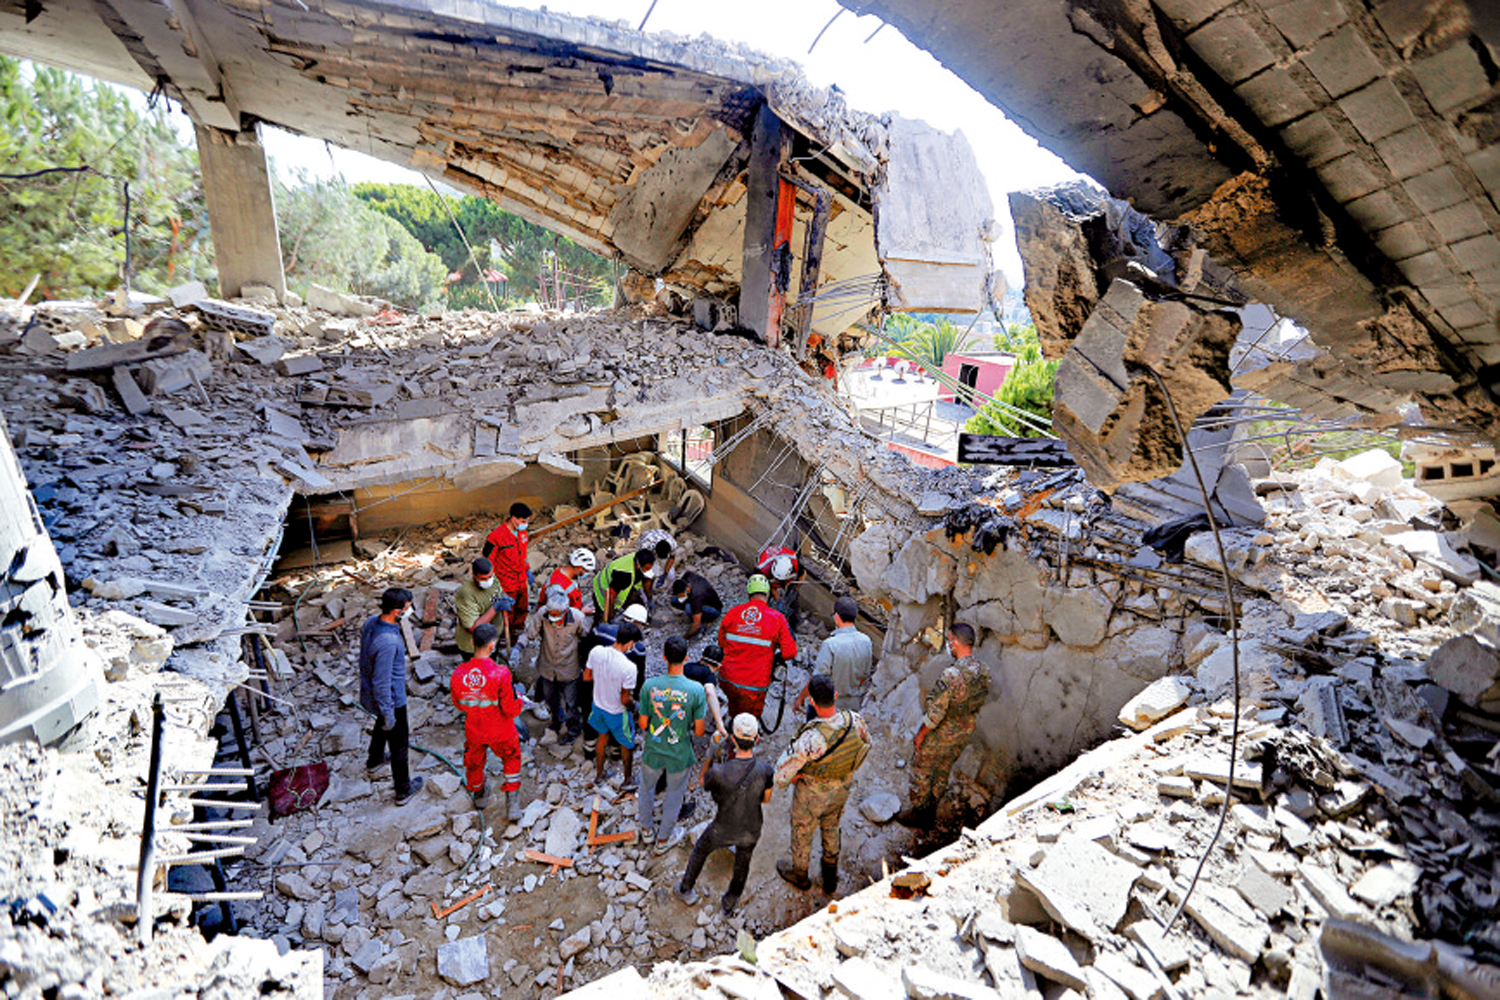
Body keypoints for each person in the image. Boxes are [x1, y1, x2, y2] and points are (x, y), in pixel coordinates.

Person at [773, 675, 871, 894]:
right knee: (832, 826)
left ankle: (801, 877)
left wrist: (796, 778)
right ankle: (830, 878)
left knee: (802, 833)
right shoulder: (855, 721)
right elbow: (867, 745)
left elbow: (780, 776)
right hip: (841, 789)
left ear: (812, 703)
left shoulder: (811, 739)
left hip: (811, 795)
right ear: (835, 696)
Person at [674, 713, 774, 916]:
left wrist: (712, 752)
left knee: (701, 849)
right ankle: (729, 904)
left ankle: (685, 889)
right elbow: (765, 799)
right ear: (757, 740)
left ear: (733, 739)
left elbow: (702, 780)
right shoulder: (766, 771)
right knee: (742, 864)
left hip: (722, 828)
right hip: (751, 829)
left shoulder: (718, 772)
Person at [895, 622, 989, 830]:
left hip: (942, 732)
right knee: (943, 769)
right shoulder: (983, 671)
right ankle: (933, 808)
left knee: (922, 768)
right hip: (964, 733)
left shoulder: (951, 675)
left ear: (956, 642)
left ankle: (920, 814)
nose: (948, 644)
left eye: (948, 640)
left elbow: (936, 713)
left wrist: (921, 733)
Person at [637, 636, 707, 854]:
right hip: (679, 754)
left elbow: (642, 724)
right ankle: (662, 840)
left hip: (653, 751)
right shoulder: (696, 690)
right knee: (675, 796)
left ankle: (647, 831)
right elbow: (699, 731)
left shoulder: (650, 686)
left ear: (664, 657)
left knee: (646, 789)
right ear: (687, 658)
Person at [450, 622, 524, 820]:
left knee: (474, 762)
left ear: (472, 642)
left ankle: (479, 794)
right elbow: (509, 709)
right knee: (511, 758)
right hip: (501, 729)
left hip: (474, 729)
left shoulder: (459, 673)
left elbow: (459, 704)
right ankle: (512, 803)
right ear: (493, 645)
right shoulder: (500, 673)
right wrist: (520, 702)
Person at [358, 587, 425, 805]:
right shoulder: (388, 641)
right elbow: (382, 681)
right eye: (407, 607)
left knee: (382, 723)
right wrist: (388, 711)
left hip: (374, 693)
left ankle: (375, 760)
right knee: (399, 744)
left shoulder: (371, 623)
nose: (410, 609)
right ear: (397, 611)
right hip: (392, 699)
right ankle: (403, 790)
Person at [717, 574, 796, 719]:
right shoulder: (777, 618)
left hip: (728, 678)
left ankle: (732, 725)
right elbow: (790, 652)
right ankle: (744, 737)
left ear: (748, 594)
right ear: (767, 594)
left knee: (734, 707)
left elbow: (721, 643)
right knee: (750, 719)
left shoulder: (732, 613)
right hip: (755, 683)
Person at [523, 586, 589, 743]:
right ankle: (556, 722)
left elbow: (586, 638)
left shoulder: (578, 618)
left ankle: (573, 730)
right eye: (550, 615)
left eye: (556, 616)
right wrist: (518, 647)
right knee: (551, 698)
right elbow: (529, 634)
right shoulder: (543, 614)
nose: (552, 618)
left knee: (571, 703)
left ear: (565, 611)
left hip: (569, 668)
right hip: (547, 667)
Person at [792, 597, 873, 718]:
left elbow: (817, 681)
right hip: (852, 708)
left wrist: (800, 698)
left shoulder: (830, 644)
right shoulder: (866, 641)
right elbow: (863, 677)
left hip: (828, 708)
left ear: (836, 617)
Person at [585, 621, 642, 790]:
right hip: (616, 712)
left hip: (598, 706)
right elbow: (625, 698)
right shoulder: (629, 668)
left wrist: (603, 682)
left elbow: (587, 677)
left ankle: (599, 775)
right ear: (630, 643)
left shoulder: (597, 652)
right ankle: (628, 779)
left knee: (602, 738)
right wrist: (634, 706)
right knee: (627, 744)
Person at [482, 502, 532, 639]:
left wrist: (527, 570)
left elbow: (524, 554)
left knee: (522, 609)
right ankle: (506, 638)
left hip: (521, 581)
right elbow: (486, 561)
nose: (525, 524)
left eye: (527, 521)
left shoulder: (522, 533)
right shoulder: (495, 536)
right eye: (523, 521)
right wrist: (495, 585)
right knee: (507, 614)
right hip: (506, 583)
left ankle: (519, 633)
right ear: (513, 519)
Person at [453, 557, 513, 656]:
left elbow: (499, 592)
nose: (488, 581)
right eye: (483, 579)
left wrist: (505, 598)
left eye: (490, 577)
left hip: (493, 638)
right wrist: (495, 607)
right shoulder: (467, 594)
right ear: (474, 576)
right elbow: (473, 628)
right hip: (475, 647)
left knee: (492, 664)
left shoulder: (492, 579)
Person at [592, 547, 657, 623]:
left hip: (622, 584)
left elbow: (647, 580)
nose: (648, 570)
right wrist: (611, 615)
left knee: (638, 606)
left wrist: (650, 598)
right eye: (646, 568)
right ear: (638, 565)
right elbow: (611, 594)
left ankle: (643, 620)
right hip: (602, 590)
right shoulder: (625, 574)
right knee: (601, 620)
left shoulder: (638, 558)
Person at [756, 544, 805, 628]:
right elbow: (768, 585)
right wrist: (778, 599)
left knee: (792, 599)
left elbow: (803, 574)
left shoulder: (794, 562)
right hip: (767, 570)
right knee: (763, 595)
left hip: (786, 571)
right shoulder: (763, 568)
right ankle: (762, 618)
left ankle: (793, 624)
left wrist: (796, 590)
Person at [670, 570, 721, 639]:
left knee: (688, 608)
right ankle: (695, 613)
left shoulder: (696, 598)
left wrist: (685, 638)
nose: (680, 597)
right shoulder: (688, 576)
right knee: (674, 601)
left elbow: (696, 624)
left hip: (714, 609)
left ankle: (701, 628)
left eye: (681, 595)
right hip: (702, 598)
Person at [548, 548, 595, 614]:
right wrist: (581, 613)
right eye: (586, 571)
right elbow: (556, 615)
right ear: (578, 568)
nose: (586, 574)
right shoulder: (557, 587)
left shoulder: (569, 576)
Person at [638, 527, 677, 597]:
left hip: (661, 534)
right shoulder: (645, 546)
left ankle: (668, 588)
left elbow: (672, 558)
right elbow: (642, 565)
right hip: (646, 537)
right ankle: (645, 591)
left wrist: (665, 573)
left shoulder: (672, 544)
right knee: (648, 572)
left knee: (671, 575)